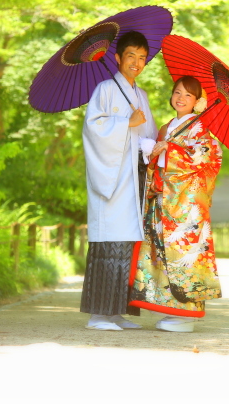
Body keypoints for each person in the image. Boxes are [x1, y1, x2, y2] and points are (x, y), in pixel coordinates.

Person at [129, 75, 223, 332]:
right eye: (177, 92)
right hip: (164, 198)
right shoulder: (168, 126)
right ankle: (171, 308)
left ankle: (187, 313)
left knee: (185, 256)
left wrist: (167, 151)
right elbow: (157, 163)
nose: (181, 98)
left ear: (197, 102)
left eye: (188, 95)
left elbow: (204, 158)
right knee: (162, 254)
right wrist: (155, 154)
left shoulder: (201, 127)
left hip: (187, 206)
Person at [80, 30, 158, 331]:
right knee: (108, 240)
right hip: (111, 177)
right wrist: (126, 122)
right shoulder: (104, 90)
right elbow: (93, 129)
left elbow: (147, 137)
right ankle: (98, 314)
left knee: (127, 243)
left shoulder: (142, 96)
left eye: (141, 58)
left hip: (134, 177)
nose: (136, 63)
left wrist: (152, 146)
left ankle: (116, 312)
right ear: (117, 58)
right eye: (130, 56)